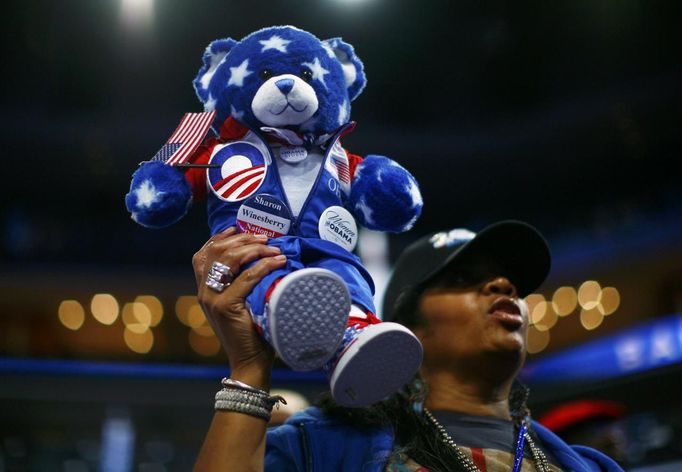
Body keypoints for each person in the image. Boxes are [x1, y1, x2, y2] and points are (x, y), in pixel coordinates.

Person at [192, 221, 624, 471]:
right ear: (406, 331)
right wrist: (249, 366)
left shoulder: (589, 466)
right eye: (461, 279)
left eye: (508, 281)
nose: (503, 285)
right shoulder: (323, 445)